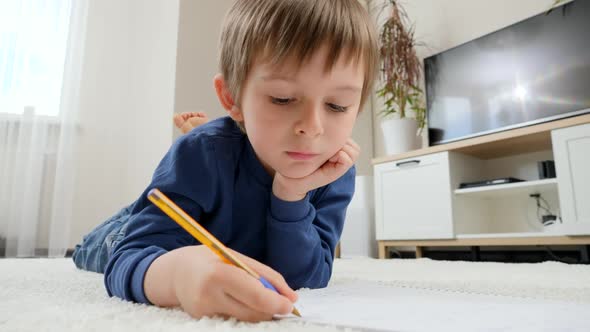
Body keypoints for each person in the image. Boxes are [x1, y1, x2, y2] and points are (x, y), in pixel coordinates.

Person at [72, 0, 378, 322]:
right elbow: (128, 257)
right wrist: (177, 275)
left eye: (339, 105)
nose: (313, 127)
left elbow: (308, 276)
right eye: (283, 99)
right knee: (99, 247)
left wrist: (291, 195)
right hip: (156, 231)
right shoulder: (201, 153)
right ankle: (122, 219)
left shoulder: (335, 170)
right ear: (231, 97)